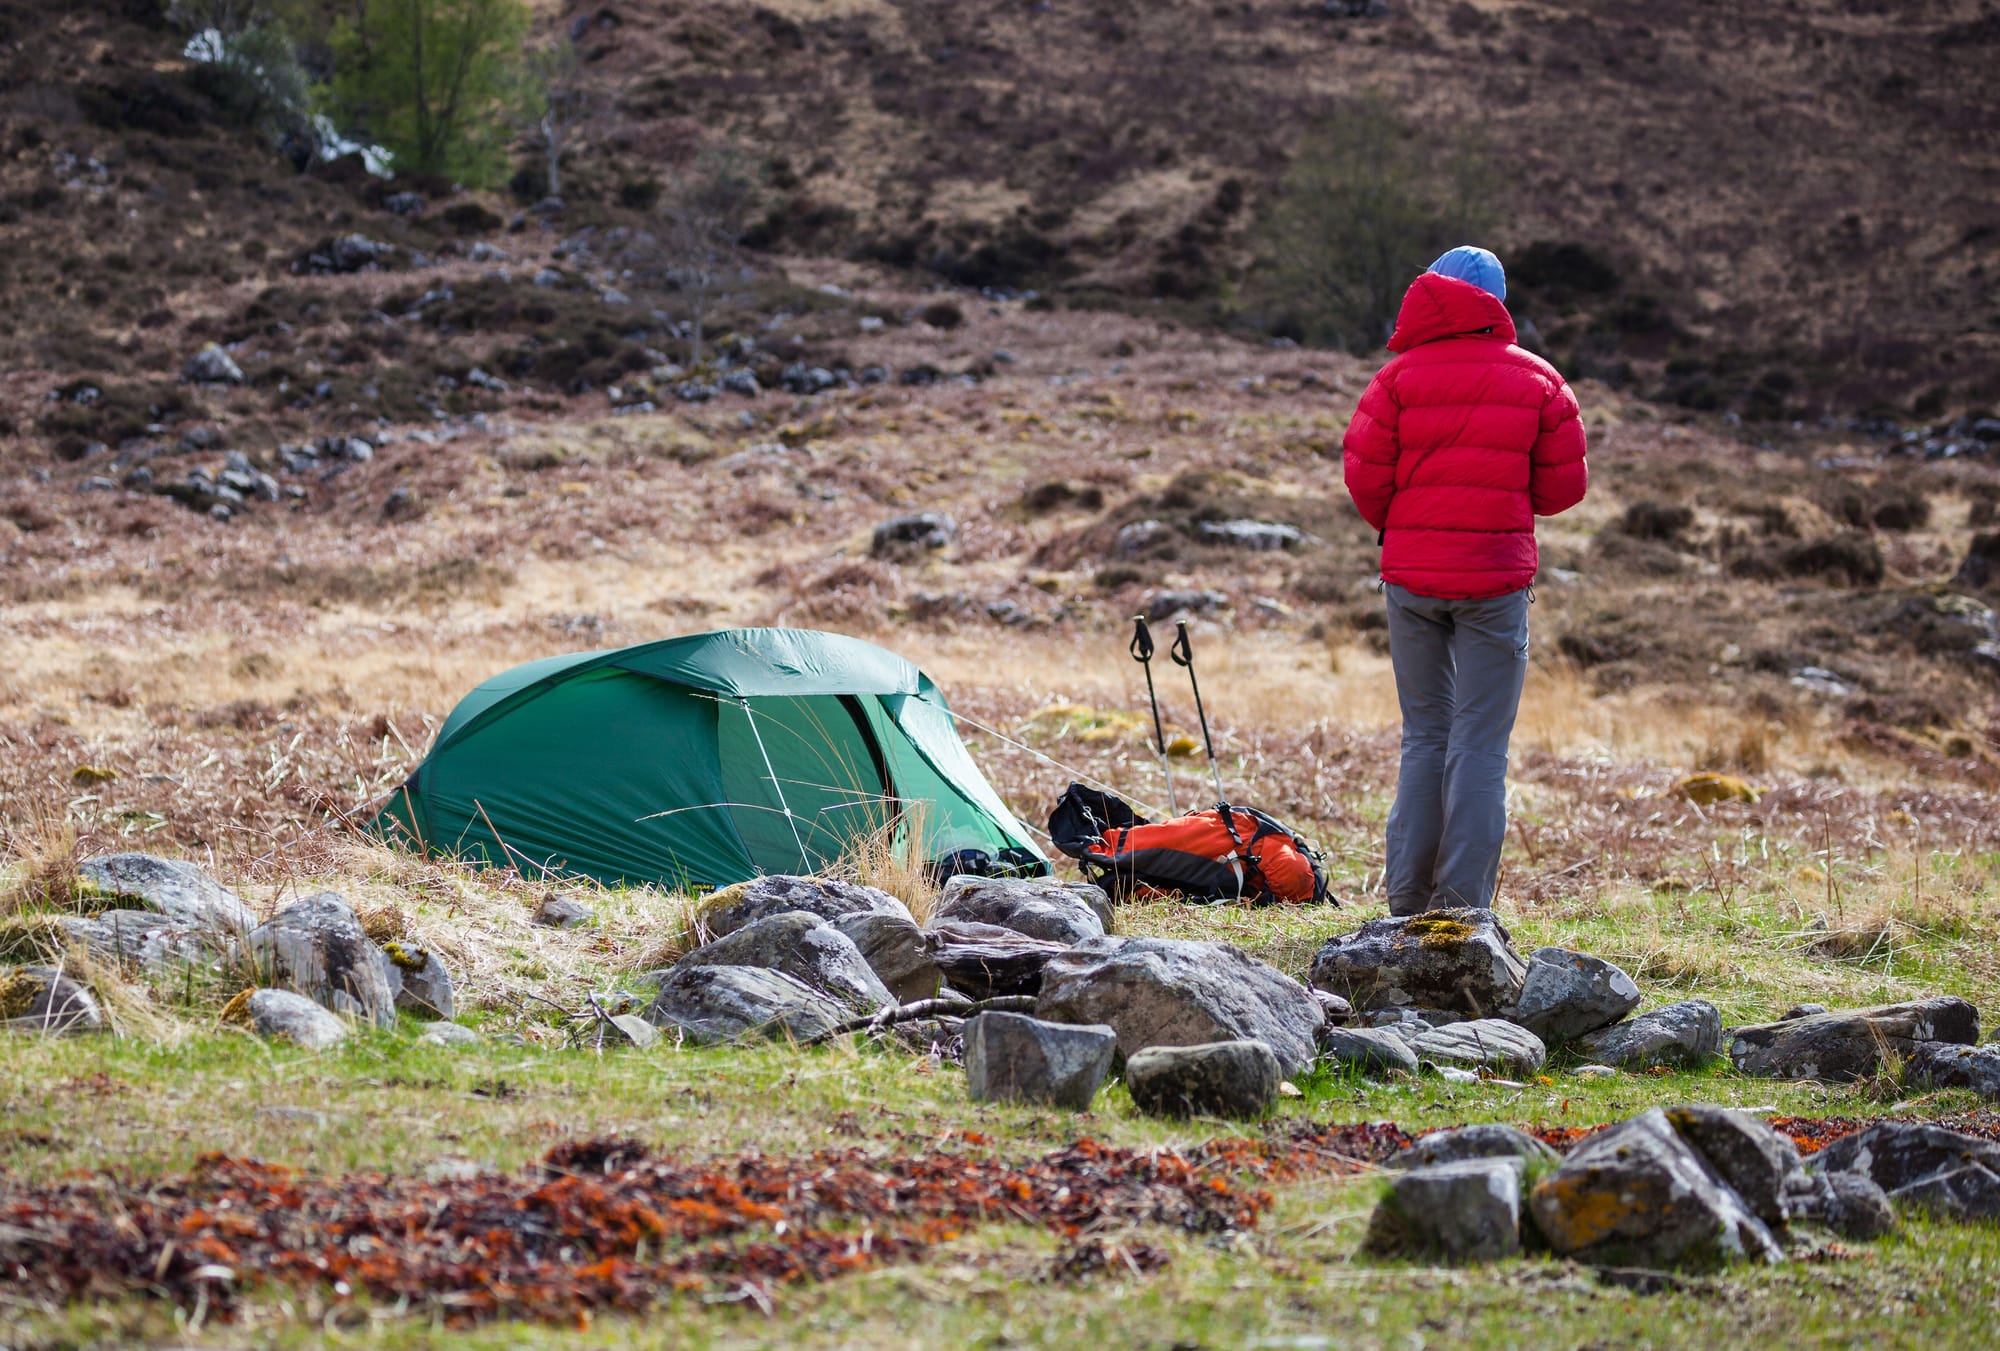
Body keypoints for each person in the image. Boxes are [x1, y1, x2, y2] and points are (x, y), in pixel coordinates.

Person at [1342, 245, 1588, 915]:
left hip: (1411, 584)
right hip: (1495, 588)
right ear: (1497, 304)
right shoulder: (1539, 380)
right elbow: (1564, 488)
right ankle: (1461, 914)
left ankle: (1405, 902)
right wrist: (1503, 499)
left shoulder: (1393, 381)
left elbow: (1365, 475)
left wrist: (1401, 532)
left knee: (1425, 736)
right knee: (1479, 746)